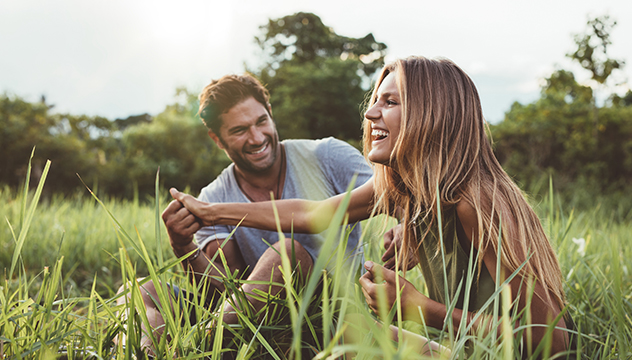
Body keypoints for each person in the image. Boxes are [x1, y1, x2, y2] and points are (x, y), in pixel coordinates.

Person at [171, 56, 575, 357]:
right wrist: (210, 213)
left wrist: (420, 308)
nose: (369, 113)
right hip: (468, 347)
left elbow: (551, 340)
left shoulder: (478, 202)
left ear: (432, 114)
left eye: (390, 102)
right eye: (375, 101)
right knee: (343, 332)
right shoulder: (407, 189)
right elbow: (312, 215)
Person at [119, 74, 372, 353]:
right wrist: (182, 246)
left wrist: (403, 227)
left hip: (330, 317)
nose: (256, 138)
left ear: (270, 114)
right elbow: (222, 290)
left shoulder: (328, 155)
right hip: (253, 324)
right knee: (139, 290)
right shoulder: (213, 196)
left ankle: (194, 350)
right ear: (217, 139)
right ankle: (148, 353)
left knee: (288, 254)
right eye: (239, 130)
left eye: (261, 121)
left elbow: (396, 195)